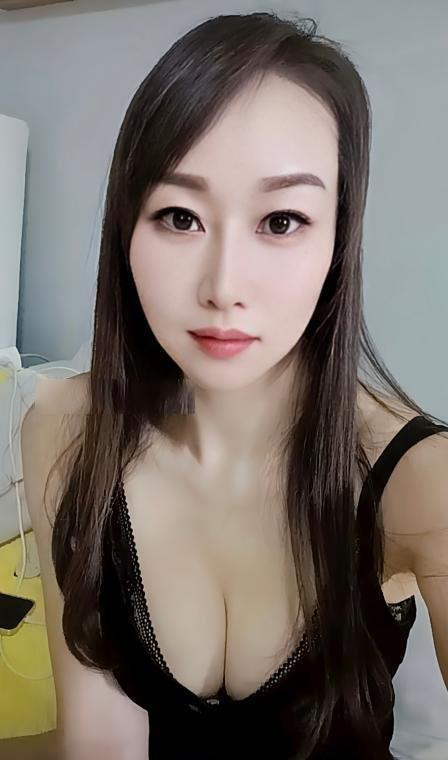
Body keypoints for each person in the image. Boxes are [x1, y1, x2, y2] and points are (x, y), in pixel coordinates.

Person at [21, 11, 448, 760]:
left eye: (281, 221)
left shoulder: (420, 480)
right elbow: (100, 742)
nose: (223, 286)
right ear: (126, 228)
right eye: (179, 216)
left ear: (338, 238)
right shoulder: (64, 425)